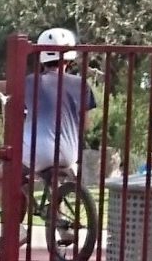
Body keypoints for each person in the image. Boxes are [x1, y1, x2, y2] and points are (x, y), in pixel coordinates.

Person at [20, 28, 96, 184]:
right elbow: (86, 125)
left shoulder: (30, 82)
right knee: (56, 183)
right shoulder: (80, 84)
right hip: (69, 155)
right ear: (69, 58)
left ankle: (21, 206)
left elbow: (7, 88)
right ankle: (55, 206)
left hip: (37, 155)